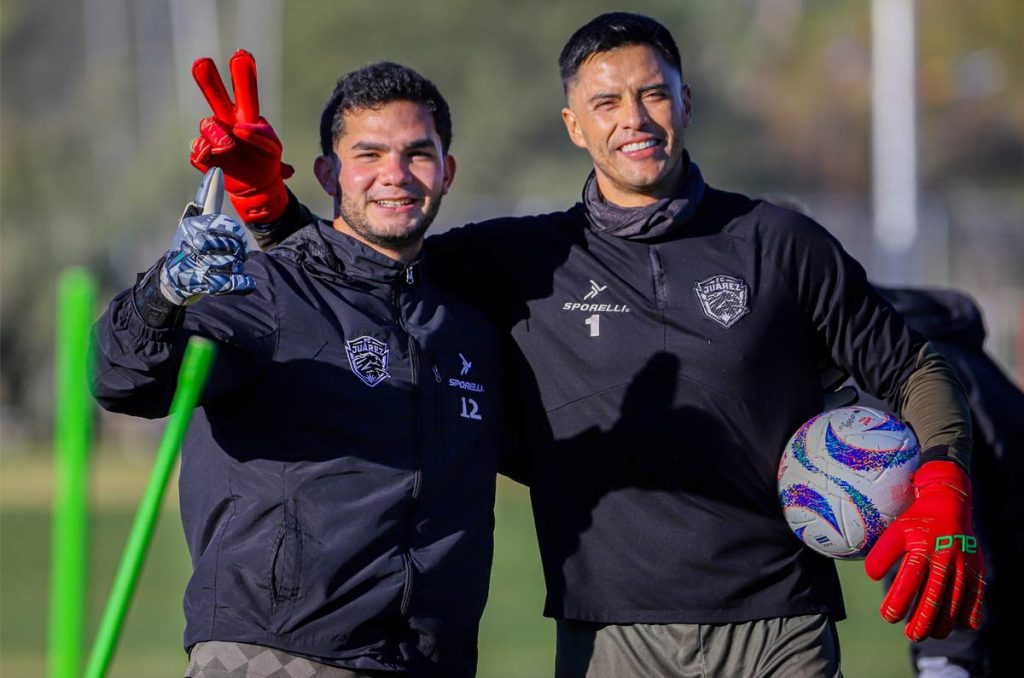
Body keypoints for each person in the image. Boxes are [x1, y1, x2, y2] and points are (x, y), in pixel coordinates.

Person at [192, 14, 984, 676]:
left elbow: (915, 367)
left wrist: (944, 478)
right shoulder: (521, 259)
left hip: (779, 622)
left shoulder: (779, 242)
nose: (633, 119)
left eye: (652, 94)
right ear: (575, 124)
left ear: (685, 100)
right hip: (610, 636)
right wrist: (267, 205)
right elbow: (361, 269)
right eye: (606, 102)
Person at [92, 58, 506, 677]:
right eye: (368, 154)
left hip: (427, 660)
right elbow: (120, 378)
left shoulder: (466, 323)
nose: (394, 174)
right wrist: (164, 292)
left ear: (447, 171)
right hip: (276, 655)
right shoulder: (268, 289)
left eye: (417, 153)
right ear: (327, 172)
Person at [854, 286, 1021, 678]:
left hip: (984, 625)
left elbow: (942, 529)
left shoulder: (899, 386)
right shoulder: (965, 361)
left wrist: (944, 659)